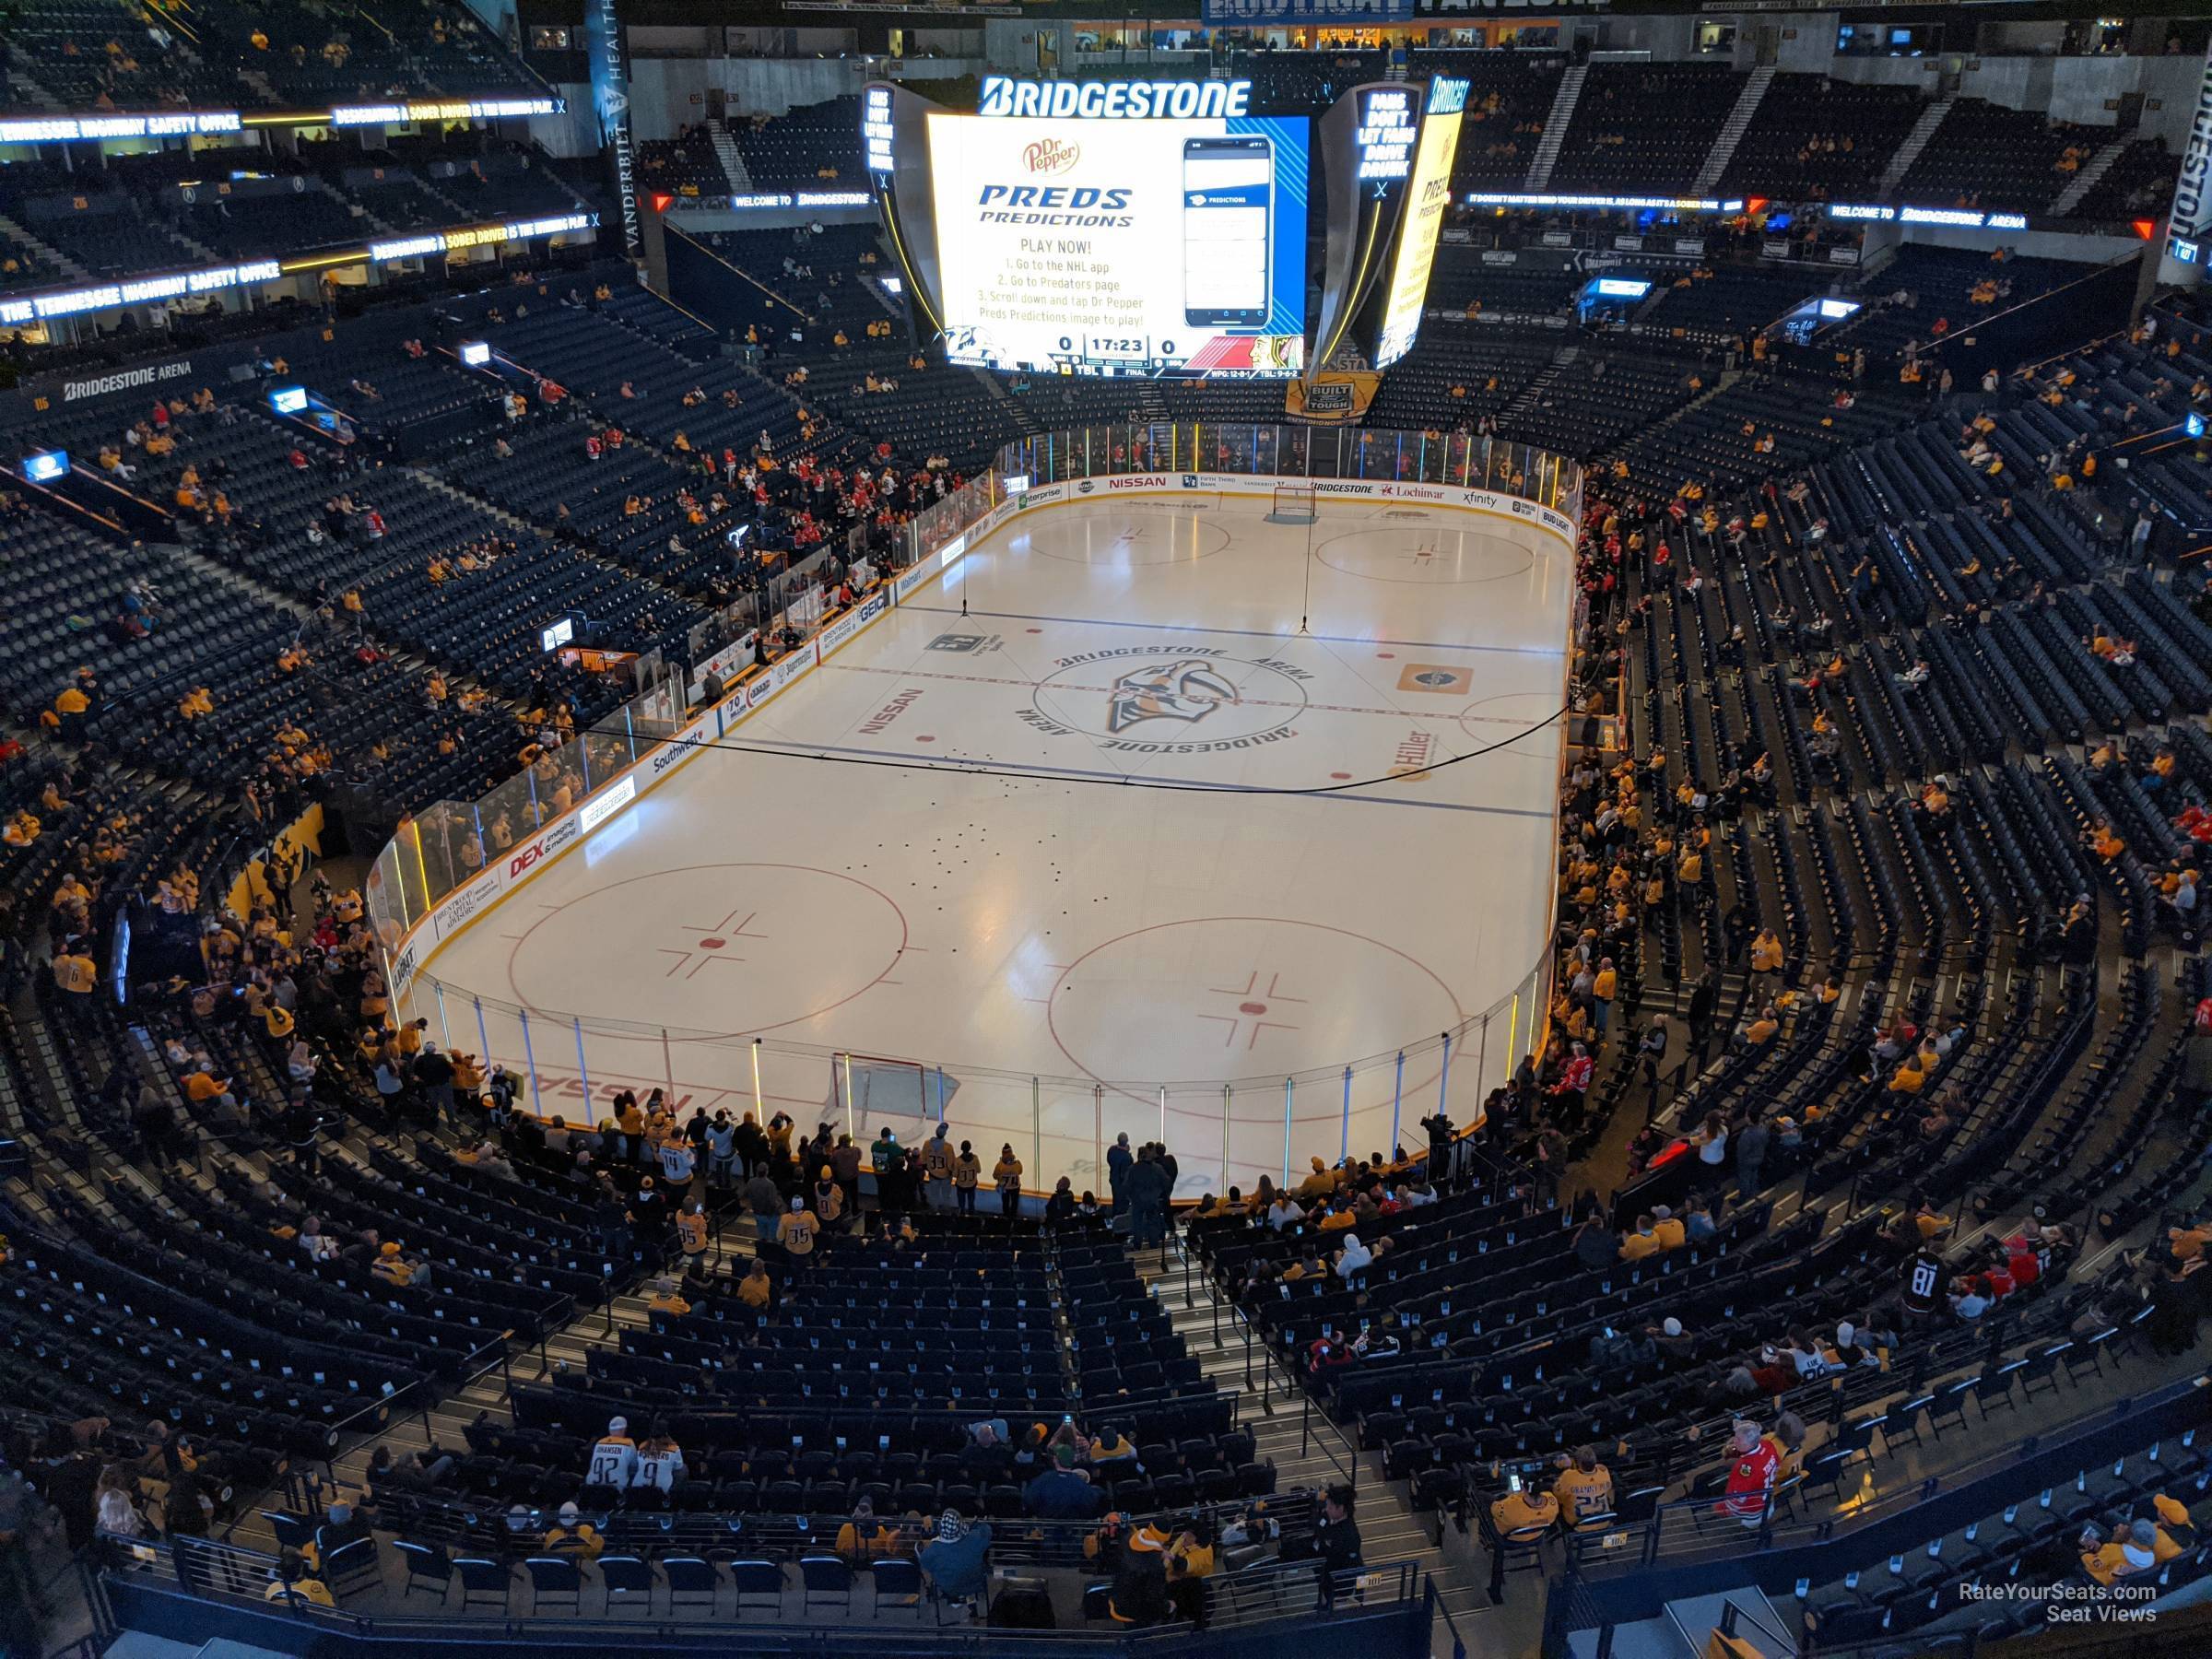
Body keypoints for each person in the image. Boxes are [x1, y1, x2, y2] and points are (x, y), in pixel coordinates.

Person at [919, 1510, 993, 1613]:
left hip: (948, 1587)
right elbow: (987, 1531)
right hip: (974, 1583)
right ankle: (971, 1604)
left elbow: (925, 1565)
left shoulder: (932, 1551)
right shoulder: (974, 1539)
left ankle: (955, 1599)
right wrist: (978, 1523)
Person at [1715, 1419, 1779, 1527]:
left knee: (1715, 1507)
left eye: (1738, 1439)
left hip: (1752, 1512)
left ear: (1748, 1443)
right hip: (1768, 1500)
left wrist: (1724, 1509)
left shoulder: (1744, 1468)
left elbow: (1738, 1498)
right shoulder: (1768, 1444)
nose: (1734, 1441)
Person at [992, 1143, 1023, 1218]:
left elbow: (995, 1176)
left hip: (1005, 1188)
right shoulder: (1017, 1164)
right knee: (1014, 1203)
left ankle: (1006, 1218)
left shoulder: (1000, 1166)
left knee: (1005, 1203)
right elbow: (1020, 1172)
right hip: (1015, 1187)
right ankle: (1013, 1218)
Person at [952, 1140, 982, 1214]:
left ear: (961, 1148)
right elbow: (979, 1170)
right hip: (971, 1185)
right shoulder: (975, 1159)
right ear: (970, 1148)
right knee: (971, 1203)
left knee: (961, 1204)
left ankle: (962, 1216)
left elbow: (955, 1174)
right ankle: (971, 1216)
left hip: (961, 1186)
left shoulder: (958, 1161)